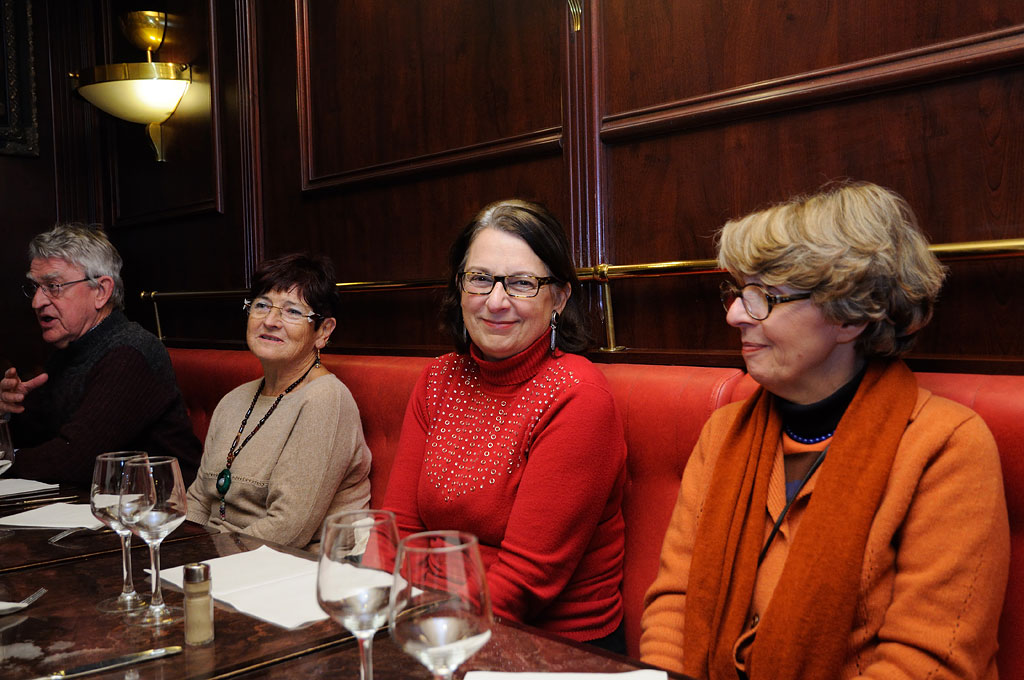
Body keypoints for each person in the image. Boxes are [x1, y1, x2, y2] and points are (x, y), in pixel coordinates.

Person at [640, 182, 1010, 679]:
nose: (734, 315)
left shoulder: (946, 446)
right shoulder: (724, 431)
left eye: (764, 297)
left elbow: (927, 663)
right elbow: (675, 604)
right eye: (735, 292)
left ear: (849, 315)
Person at [381, 199, 628, 652]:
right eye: (480, 279)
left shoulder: (577, 396)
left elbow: (524, 581)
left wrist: (419, 637)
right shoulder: (437, 378)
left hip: (553, 645)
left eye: (522, 284)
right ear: (459, 289)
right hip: (433, 618)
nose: (496, 301)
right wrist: (378, 618)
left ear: (560, 297)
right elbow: (394, 530)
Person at [185, 253, 371, 550]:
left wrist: (205, 562)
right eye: (261, 305)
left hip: (293, 568)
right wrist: (178, 554)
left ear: (323, 331)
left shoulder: (325, 400)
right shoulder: (233, 401)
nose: (270, 321)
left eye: (292, 312)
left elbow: (288, 528)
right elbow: (198, 500)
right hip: (223, 557)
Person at [1, 223, 201, 487]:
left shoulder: (130, 352)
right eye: (35, 288)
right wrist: (7, 413)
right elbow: (36, 438)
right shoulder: (68, 352)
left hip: (156, 514)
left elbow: (74, 460)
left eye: (53, 286)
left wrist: (7, 462)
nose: (37, 302)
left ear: (101, 291)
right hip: (93, 505)